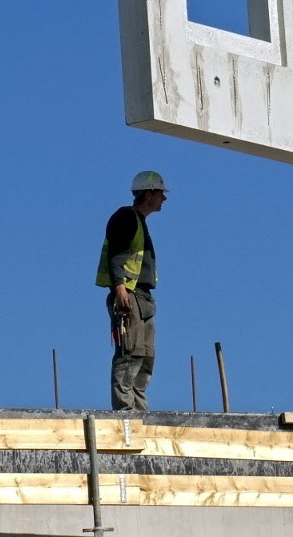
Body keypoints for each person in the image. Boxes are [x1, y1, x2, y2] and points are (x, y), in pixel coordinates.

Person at [96, 170, 167, 410]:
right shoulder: (126, 217)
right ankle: (126, 412)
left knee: (145, 357)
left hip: (143, 298)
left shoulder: (140, 222)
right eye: (160, 193)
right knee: (130, 353)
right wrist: (120, 288)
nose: (163, 199)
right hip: (130, 295)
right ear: (149, 194)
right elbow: (116, 254)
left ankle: (139, 411)